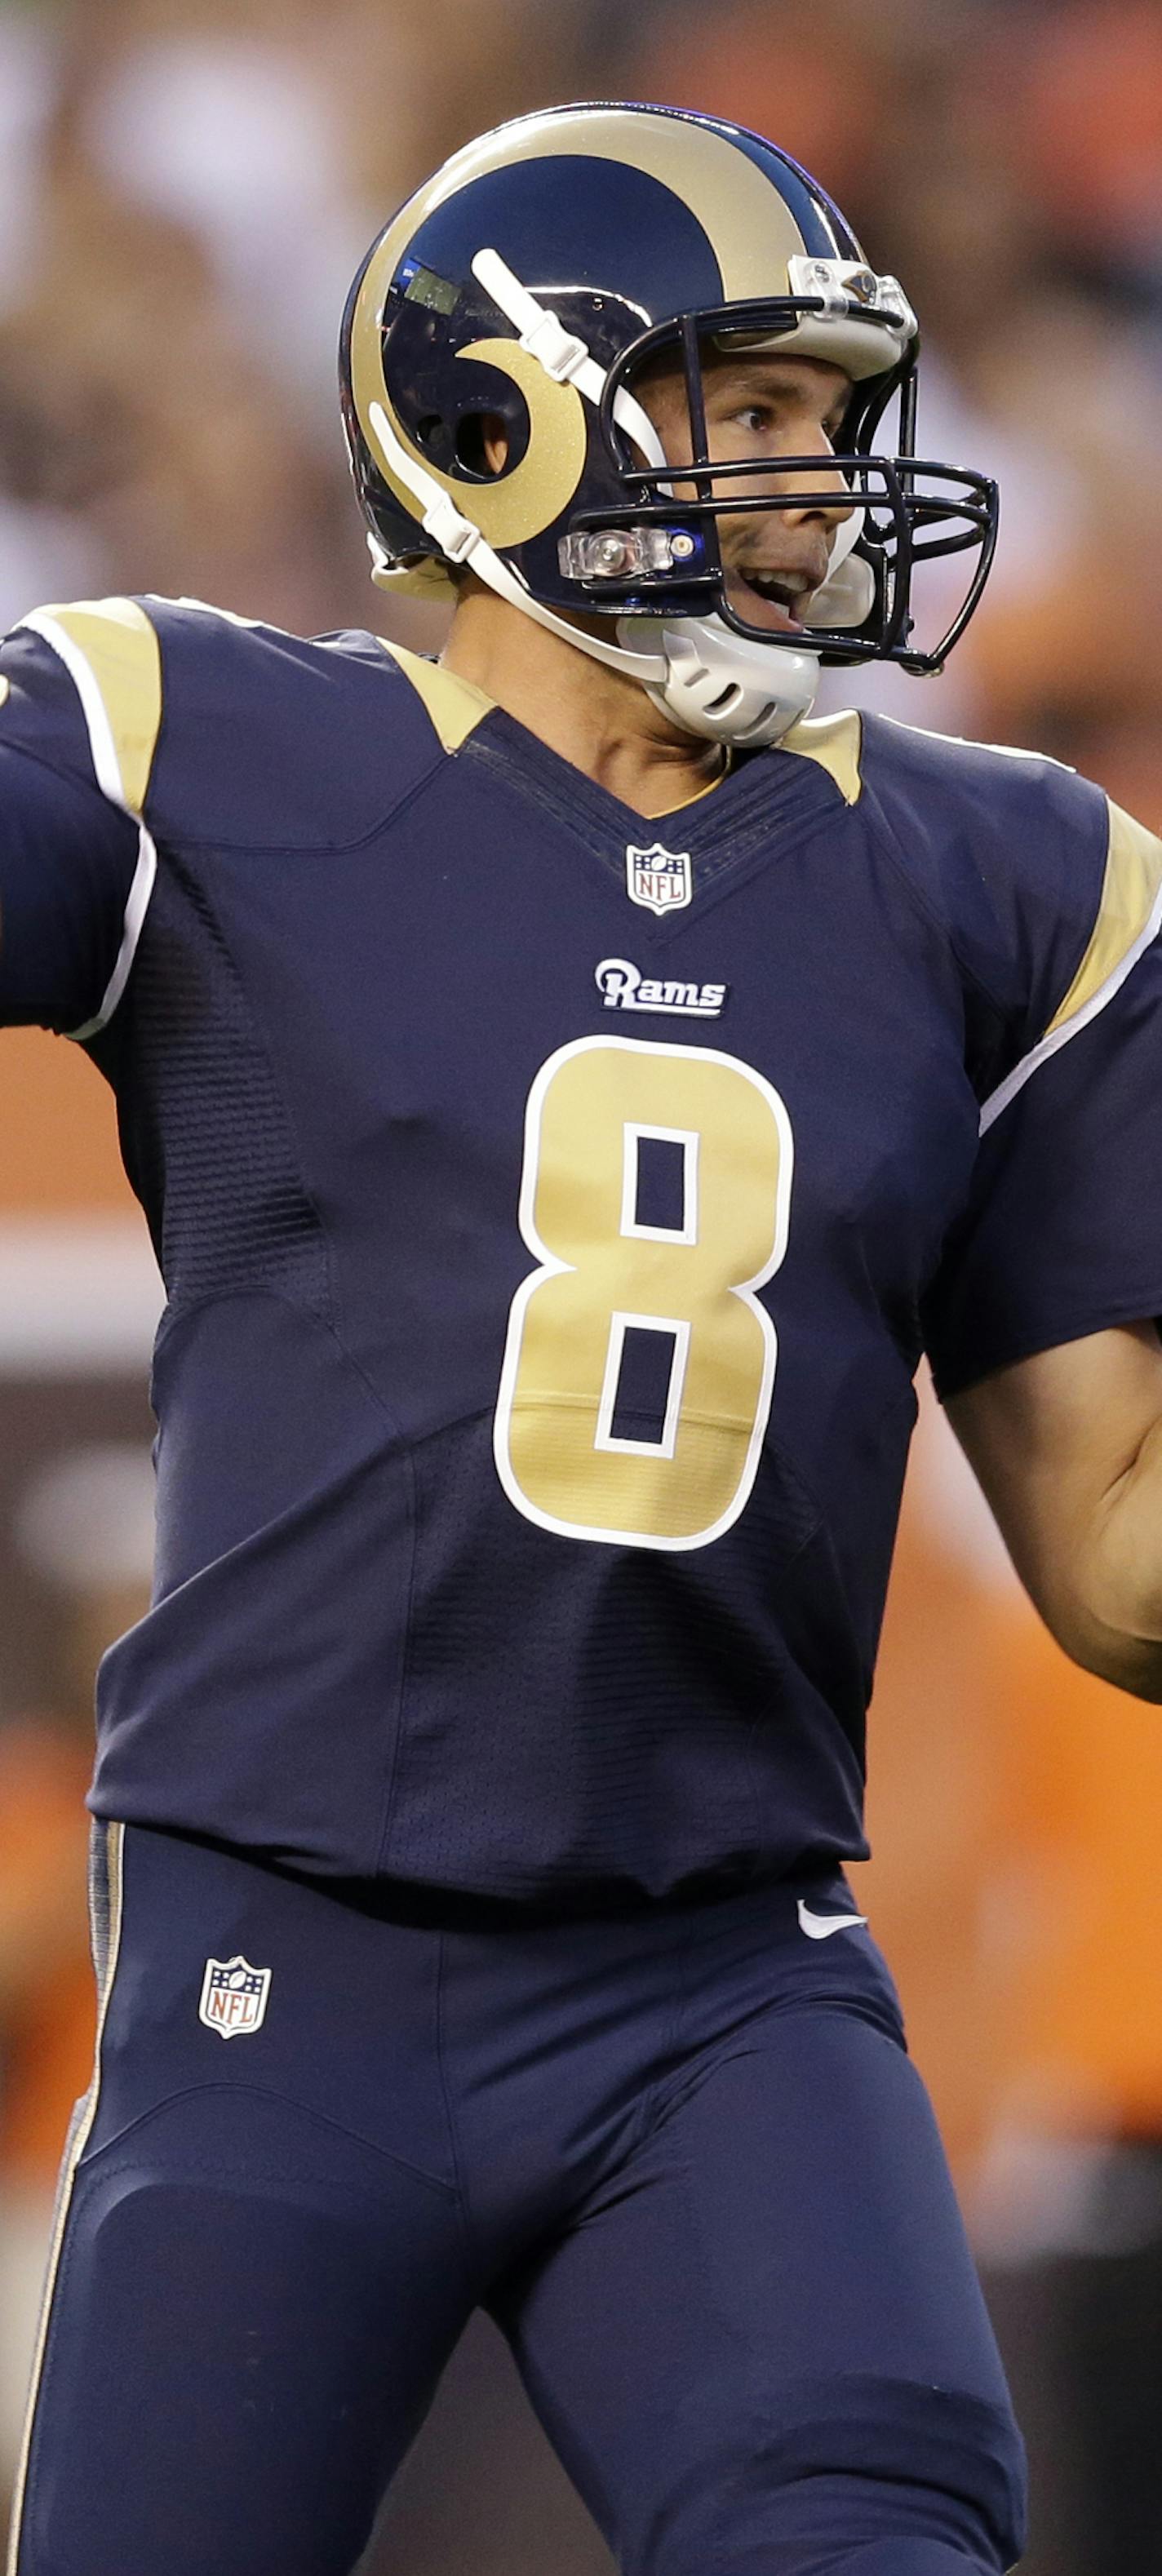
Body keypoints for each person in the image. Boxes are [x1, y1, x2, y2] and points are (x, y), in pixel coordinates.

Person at [3, 99, 1162, 2576]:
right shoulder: (204, 752)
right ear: (511, 413)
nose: (822, 484)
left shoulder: (998, 878)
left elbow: (1121, 1563)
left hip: (722, 1975)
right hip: (280, 1954)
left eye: (833, 423)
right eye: (746, 414)